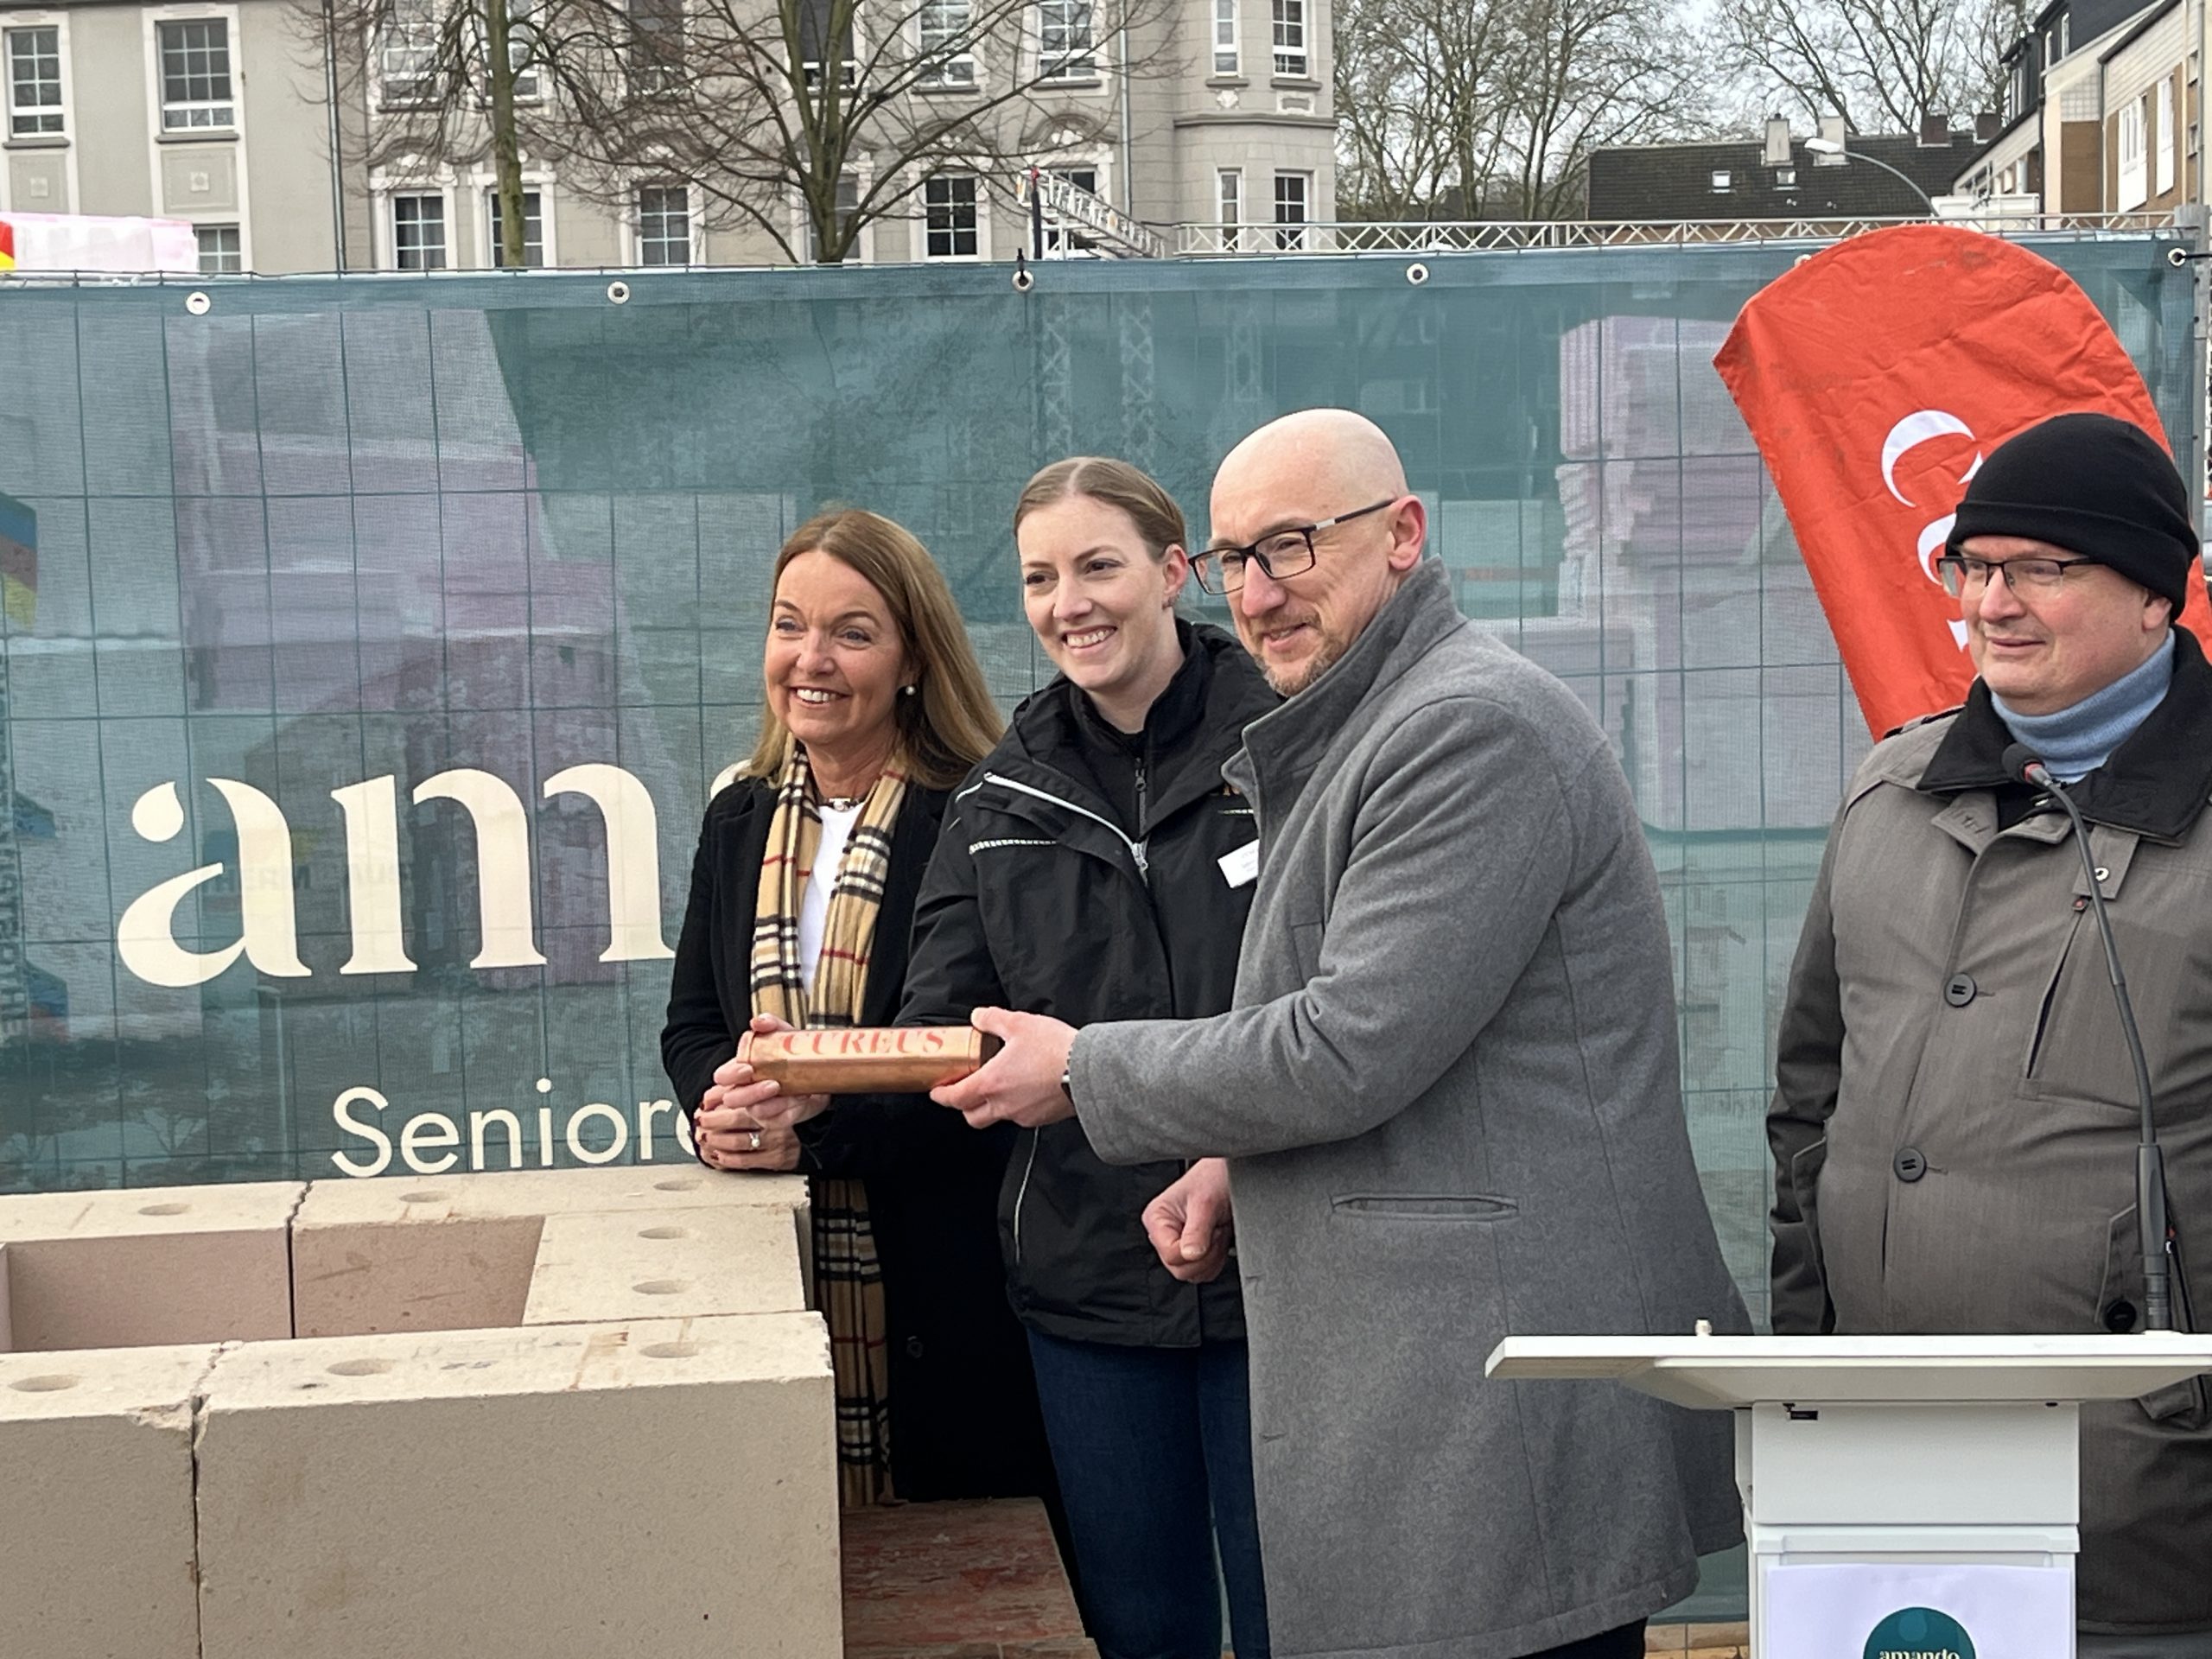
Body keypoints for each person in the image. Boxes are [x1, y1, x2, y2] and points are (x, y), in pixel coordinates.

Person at [933, 410, 1747, 1659]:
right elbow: (1414, 1040)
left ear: (1403, 535)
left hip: (1496, 1387)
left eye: (1294, 547)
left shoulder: (1467, 730)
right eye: (1235, 558)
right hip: (1445, 1377)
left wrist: (1088, 1068)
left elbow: (1348, 1045)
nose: (1257, 594)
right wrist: (1228, 1161)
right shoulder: (1369, 724)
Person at [1767, 411, 2212, 1655]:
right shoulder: (1890, 794)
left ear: (2152, 596)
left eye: (2043, 568)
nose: (1994, 602)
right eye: (1975, 565)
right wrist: (1805, 1386)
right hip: (1880, 1499)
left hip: (2140, 1517)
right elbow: (1810, 1112)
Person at [899, 457, 1278, 1659]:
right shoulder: (998, 797)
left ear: (1176, 571)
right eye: (1040, 578)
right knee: (1139, 1627)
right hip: (1091, 1288)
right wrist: (812, 1072)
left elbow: (1350, 1007)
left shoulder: (1292, 751)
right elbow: (946, 1023)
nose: (1072, 602)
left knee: (1303, 1617)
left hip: (1290, 1267)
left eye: (1099, 565)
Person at [661, 507, 1053, 1510]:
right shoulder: (738, 815)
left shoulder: (979, 815)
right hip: (774, 1267)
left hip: (947, 1278)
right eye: (789, 624)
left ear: (913, 657)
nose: (810, 658)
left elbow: (969, 1056)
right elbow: (695, 1024)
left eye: (852, 632)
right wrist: (732, 1107)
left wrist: (815, 1126)